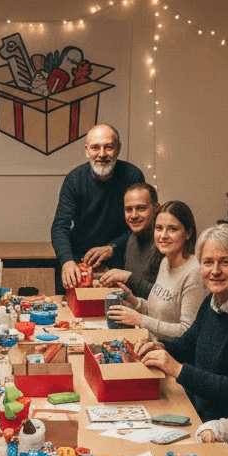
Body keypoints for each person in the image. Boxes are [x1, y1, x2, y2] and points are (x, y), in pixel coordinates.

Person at [137, 223, 228, 421]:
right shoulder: (212, 300)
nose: (215, 271)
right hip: (200, 407)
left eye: (224, 262)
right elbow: (188, 343)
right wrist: (159, 347)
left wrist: (177, 369)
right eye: (207, 262)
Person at [51, 124, 145, 289]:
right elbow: (60, 226)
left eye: (108, 147)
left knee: (115, 310)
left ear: (118, 149)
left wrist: (112, 247)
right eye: (95, 148)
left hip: (120, 255)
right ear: (87, 150)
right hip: (80, 257)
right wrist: (67, 261)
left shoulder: (132, 176)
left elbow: (142, 224)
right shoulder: (74, 180)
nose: (102, 154)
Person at [106, 200, 207, 341]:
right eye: (159, 228)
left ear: (188, 233)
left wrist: (140, 320)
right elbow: (159, 314)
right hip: (150, 345)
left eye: (172, 229)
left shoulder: (194, 273)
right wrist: (135, 301)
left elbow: (187, 331)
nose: (163, 235)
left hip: (172, 356)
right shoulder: (165, 261)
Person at [99, 183, 164, 298]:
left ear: (156, 209)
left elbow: (165, 298)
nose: (133, 215)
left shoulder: (164, 243)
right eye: (128, 209)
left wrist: (128, 277)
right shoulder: (131, 239)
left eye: (141, 208)